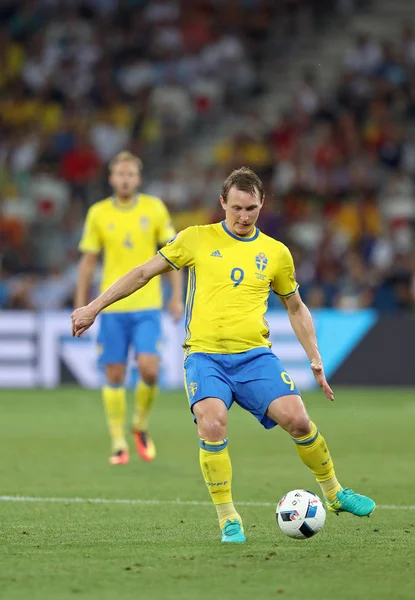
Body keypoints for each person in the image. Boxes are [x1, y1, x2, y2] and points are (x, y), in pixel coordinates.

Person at [72, 166, 375, 542]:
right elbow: (142, 273)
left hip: (255, 357)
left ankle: (335, 493)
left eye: (251, 208)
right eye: (236, 208)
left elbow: (295, 307)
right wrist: (93, 307)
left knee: (298, 420)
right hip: (205, 357)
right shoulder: (196, 239)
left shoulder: (276, 253)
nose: (244, 217)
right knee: (212, 422)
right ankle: (228, 517)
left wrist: (314, 356)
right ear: (222, 204)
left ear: (262, 203)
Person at [75, 151, 183, 466]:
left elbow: (173, 255)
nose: (125, 179)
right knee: (115, 372)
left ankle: (140, 424)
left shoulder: (154, 208)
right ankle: (118, 441)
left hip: (148, 304)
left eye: (130, 174)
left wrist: (176, 297)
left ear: (138, 178)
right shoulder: (98, 213)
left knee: (149, 369)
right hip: (112, 308)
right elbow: (88, 261)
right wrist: (84, 303)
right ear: (111, 178)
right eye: (119, 174)